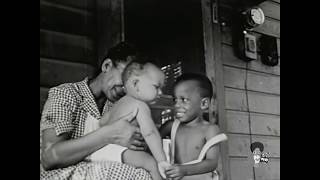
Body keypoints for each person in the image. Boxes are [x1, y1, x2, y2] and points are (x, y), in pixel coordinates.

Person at [40, 42, 153, 180]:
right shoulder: (66, 94)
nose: (127, 88)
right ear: (107, 66)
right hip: (59, 175)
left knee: (143, 174)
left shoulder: (119, 106)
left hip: (98, 170)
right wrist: (109, 134)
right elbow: (50, 158)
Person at [88, 61, 170, 180]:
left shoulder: (115, 106)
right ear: (135, 84)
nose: (161, 93)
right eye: (156, 87)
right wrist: (162, 161)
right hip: (120, 152)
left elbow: (102, 123)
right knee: (151, 163)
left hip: (99, 153)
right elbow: (150, 133)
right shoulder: (140, 105)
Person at [160, 73, 227, 180]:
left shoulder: (210, 129)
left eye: (183, 100)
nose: (177, 105)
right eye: (175, 100)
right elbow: (153, 142)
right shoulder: (171, 126)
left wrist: (184, 170)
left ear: (204, 103)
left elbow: (211, 162)